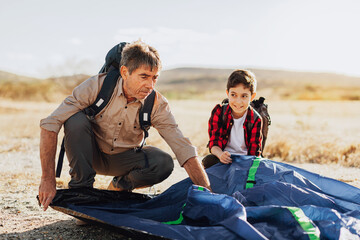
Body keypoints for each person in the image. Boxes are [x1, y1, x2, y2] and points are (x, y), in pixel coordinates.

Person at [38, 40, 211, 211]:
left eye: (154, 78)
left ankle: (118, 187)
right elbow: (49, 125)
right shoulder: (96, 86)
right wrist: (48, 179)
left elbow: (183, 147)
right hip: (90, 156)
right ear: (125, 72)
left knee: (162, 162)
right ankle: (82, 193)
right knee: (74, 119)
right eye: (144, 76)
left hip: (125, 159)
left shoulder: (157, 104)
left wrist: (208, 194)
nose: (150, 85)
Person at [202, 69, 262, 169]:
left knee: (260, 167)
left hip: (246, 161)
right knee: (209, 161)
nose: (238, 101)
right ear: (227, 93)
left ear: (252, 97)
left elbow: (254, 153)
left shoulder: (256, 119)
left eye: (244, 96)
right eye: (233, 95)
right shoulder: (219, 112)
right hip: (223, 158)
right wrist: (221, 155)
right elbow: (214, 143)